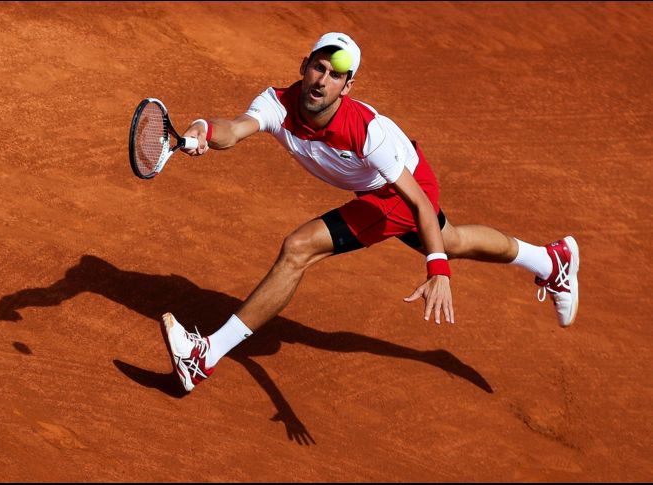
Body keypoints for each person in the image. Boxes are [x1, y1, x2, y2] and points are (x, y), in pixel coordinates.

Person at [160, 32, 579, 393]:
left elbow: (418, 201)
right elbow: (235, 128)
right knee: (452, 240)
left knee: (299, 248)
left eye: (334, 75)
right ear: (304, 66)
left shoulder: (364, 132)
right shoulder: (277, 104)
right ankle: (550, 259)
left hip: (399, 191)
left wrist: (438, 273)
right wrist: (204, 131)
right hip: (384, 185)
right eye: (318, 68)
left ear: (347, 86)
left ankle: (205, 356)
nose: (322, 81)